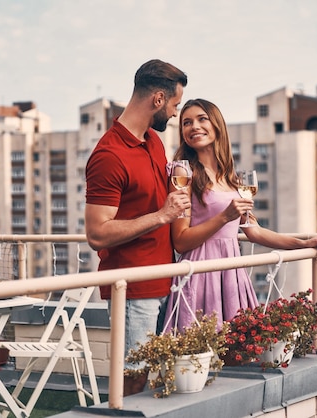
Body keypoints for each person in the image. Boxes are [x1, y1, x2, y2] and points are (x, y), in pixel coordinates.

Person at [163, 98, 317, 332]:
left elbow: (254, 232)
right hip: (200, 274)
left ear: (217, 125)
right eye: (186, 123)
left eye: (202, 119)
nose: (194, 127)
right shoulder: (183, 172)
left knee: (237, 349)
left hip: (232, 272)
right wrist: (224, 216)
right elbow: (180, 241)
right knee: (203, 353)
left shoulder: (231, 177)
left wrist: (303, 243)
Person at [84, 59, 190, 395]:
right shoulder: (109, 155)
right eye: (175, 104)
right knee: (134, 378)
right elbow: (97, 233)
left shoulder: (153, 141)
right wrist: (161, 215)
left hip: (164, 282)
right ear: (158, 99)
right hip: (133, 290)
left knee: (157, 381)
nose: (175, 114)